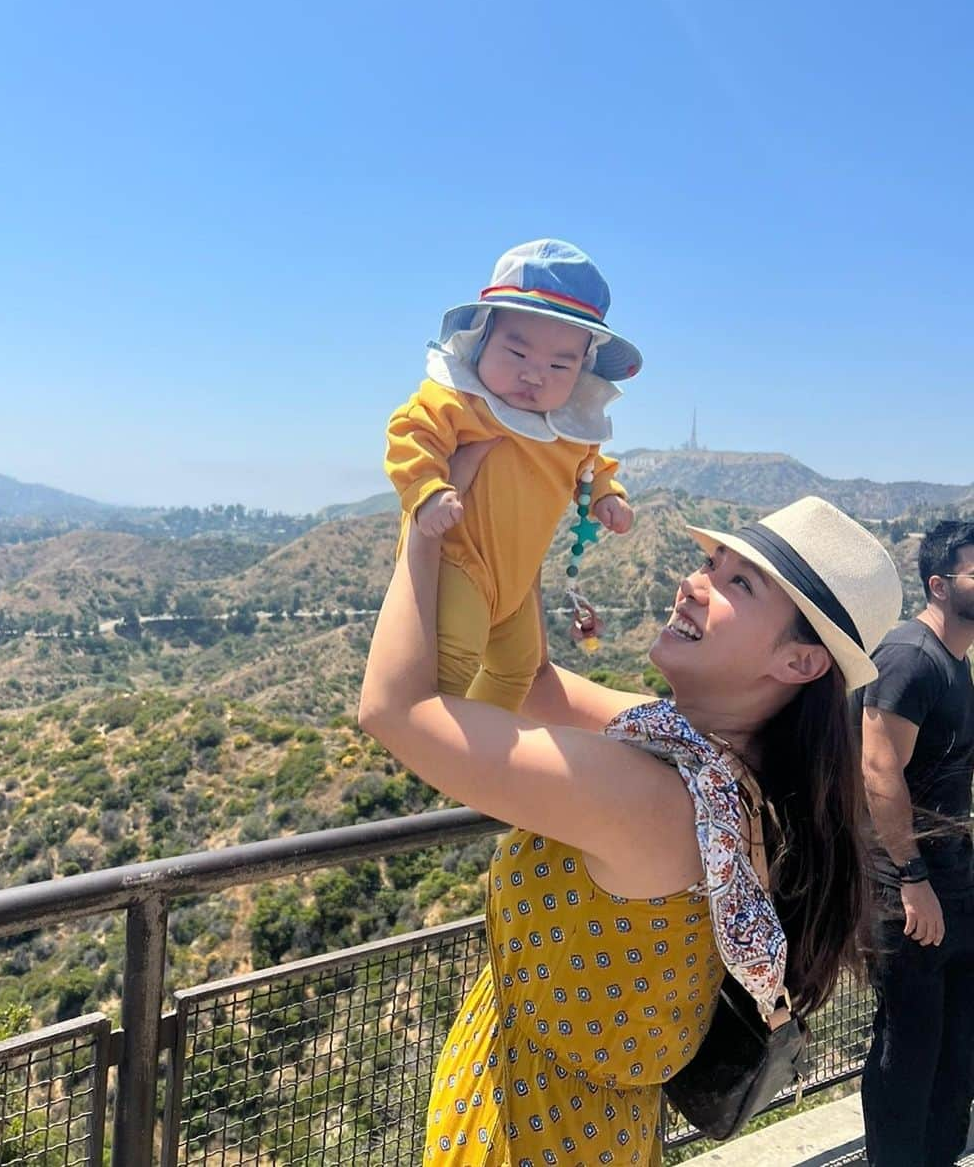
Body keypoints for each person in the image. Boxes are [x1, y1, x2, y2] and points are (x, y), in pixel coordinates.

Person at [359, 453, 902, 1167]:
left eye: (738, 583)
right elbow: (536, 686)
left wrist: (423, 520)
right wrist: (514, 512)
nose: (695, 583)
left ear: (801, 663)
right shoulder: (708, 764)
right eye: (710, 561)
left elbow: (395, 710)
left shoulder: (658, 798)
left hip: (531, 1137)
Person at [384, 238, 641, 713]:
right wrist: (429, 490)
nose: (535, 376)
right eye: (517, 354)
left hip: (518, 579)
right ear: (482, 339)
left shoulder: (569, 428)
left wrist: (608, 497)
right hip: (459, 561)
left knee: (517, 668)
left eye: (559, 364)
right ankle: (438, 747)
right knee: (452, 660)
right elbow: (410, 433)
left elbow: (592, 468)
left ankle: (486, 744)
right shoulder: (462, 401)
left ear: (582, 371)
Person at [861, 520, 974, 1167]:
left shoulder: (955, 664)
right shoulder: (909, 655)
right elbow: (877, 768)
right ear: (938, 584)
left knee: (956, 1052)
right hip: (907, 890)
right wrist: (910, 877)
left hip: (953, 882)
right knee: (909, 1052)